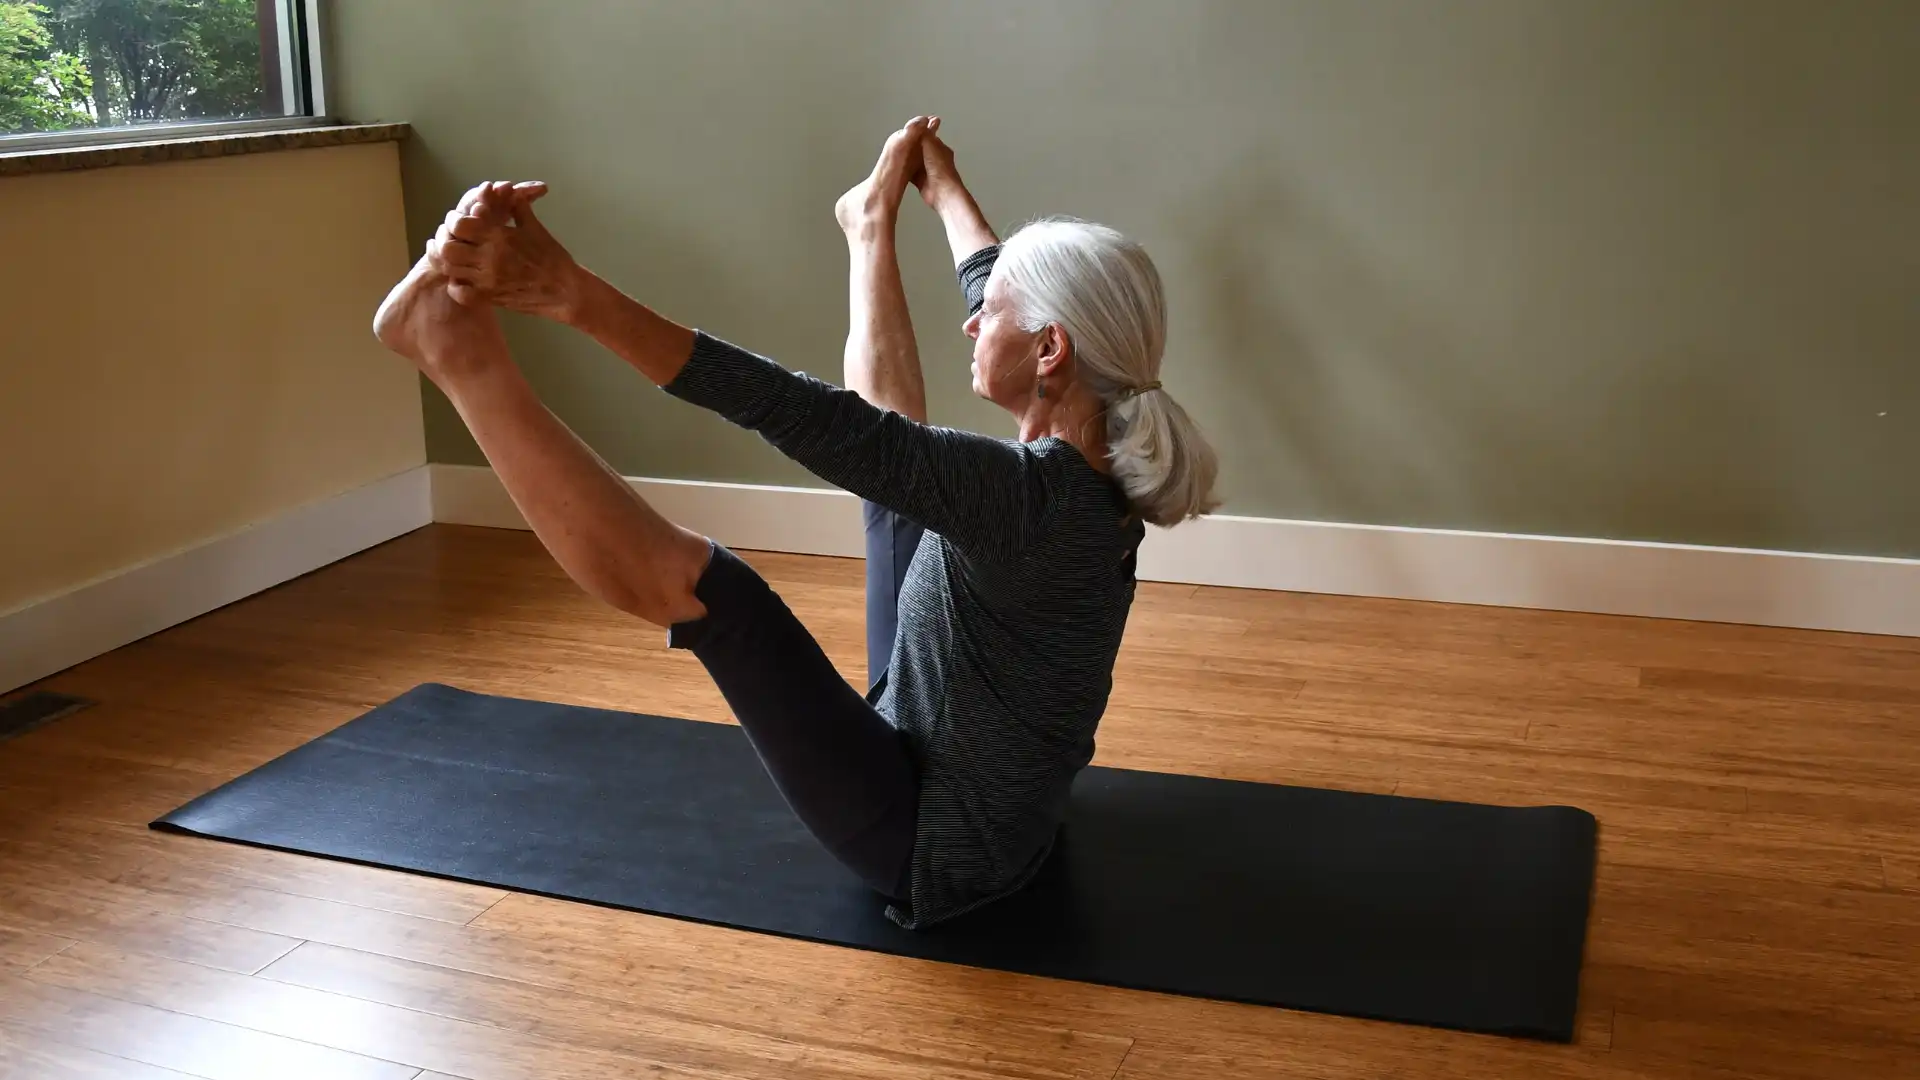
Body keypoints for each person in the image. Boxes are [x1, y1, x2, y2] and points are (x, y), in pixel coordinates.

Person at [372, 116, 1219, 929]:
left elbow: (795, 411)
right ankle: (867, 228)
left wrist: (574, 295)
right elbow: (999, 284)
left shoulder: (1022, 499)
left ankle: (458, 355)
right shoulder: (1100, 453)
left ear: (1050, 351)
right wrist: (943, 189)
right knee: (899, 481)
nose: (970, 319)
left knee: (723, 597)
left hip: (933, 843)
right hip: (951, 747)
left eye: (989, 313)